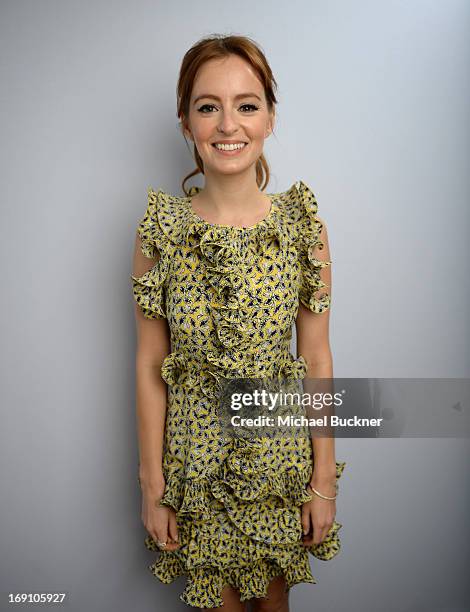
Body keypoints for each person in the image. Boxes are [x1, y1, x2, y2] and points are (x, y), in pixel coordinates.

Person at [130, 34, 346, 612]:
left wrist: (323, 481)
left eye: (247, 105)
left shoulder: (304, 230)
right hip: (194, 469)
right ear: (186, 122)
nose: (229, 124)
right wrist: (153, 487)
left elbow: (317, 360)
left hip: (279, 463)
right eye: (208, 106)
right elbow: (151, 365)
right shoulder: (160, 232)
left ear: (270, 117)